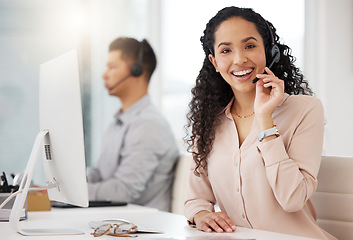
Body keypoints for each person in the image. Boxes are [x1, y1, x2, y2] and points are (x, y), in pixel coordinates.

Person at [184, 6, 336, 240]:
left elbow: (293, 198)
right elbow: (195, 198)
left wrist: (265, 120)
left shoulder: (305, 109)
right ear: (214, 62)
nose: (239, 59)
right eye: (226, 50)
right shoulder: (207, 124)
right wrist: (202, 214)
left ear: (269, 51)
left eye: (250, 46)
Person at [87, 37, 179, 212]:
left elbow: (123, 191)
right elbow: (98, 174)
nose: (104, 74)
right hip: (115, 222)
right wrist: (64, 189)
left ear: (136, 71)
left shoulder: (148, 125)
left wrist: (74, 194)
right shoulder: (118, 123)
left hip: (140, 228)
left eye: (112, 67)